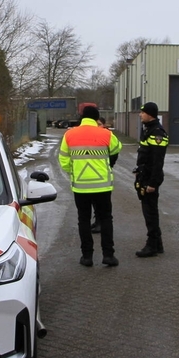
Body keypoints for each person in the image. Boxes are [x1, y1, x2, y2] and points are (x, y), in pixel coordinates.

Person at [58, 105, 122, 267]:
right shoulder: (106, 134)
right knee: (106, 218)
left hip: (81, 186)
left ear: (82, 117)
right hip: (102, 185)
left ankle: (87, 256)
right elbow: (117, 149)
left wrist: (74, 171)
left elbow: (63, 159)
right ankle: (108, 255)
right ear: (96, 118)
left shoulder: (69, 134)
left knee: (83, 220)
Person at [134, 102, 169, 258]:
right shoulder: (148, 129)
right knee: (149, 211)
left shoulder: (157, 133)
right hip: (144, 176)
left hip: (150, 179)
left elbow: (157, 161)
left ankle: (152, 245)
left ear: (150, 114)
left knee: (150, 213)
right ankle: (157, 244)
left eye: (142, 112)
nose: (140, 115)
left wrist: (152, 183)